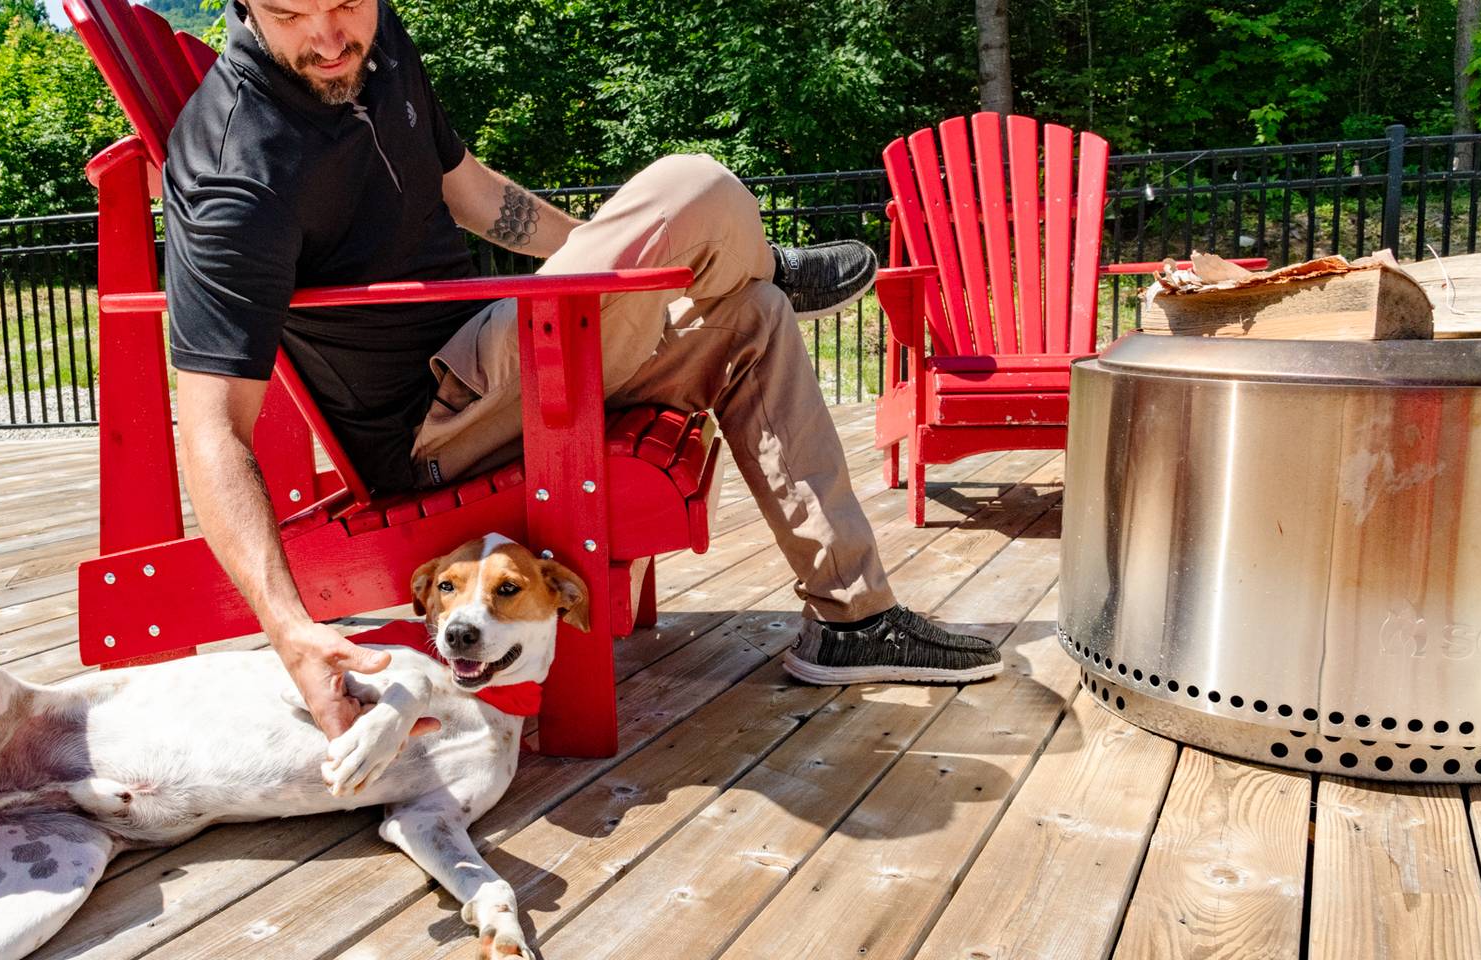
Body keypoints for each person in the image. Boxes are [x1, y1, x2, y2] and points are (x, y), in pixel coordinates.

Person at [161, 0, 1002, 742]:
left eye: (345, 3)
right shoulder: (236, 167)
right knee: (694, 183)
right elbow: (209, 423)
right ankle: (762, 260)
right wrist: (286, 628)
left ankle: (851, 620)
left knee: (753, 317)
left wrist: (610, 270)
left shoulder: (378, 50)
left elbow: (474, 194)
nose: (328, 36)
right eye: (290, 14)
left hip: (503, 347)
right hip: (437, 421)